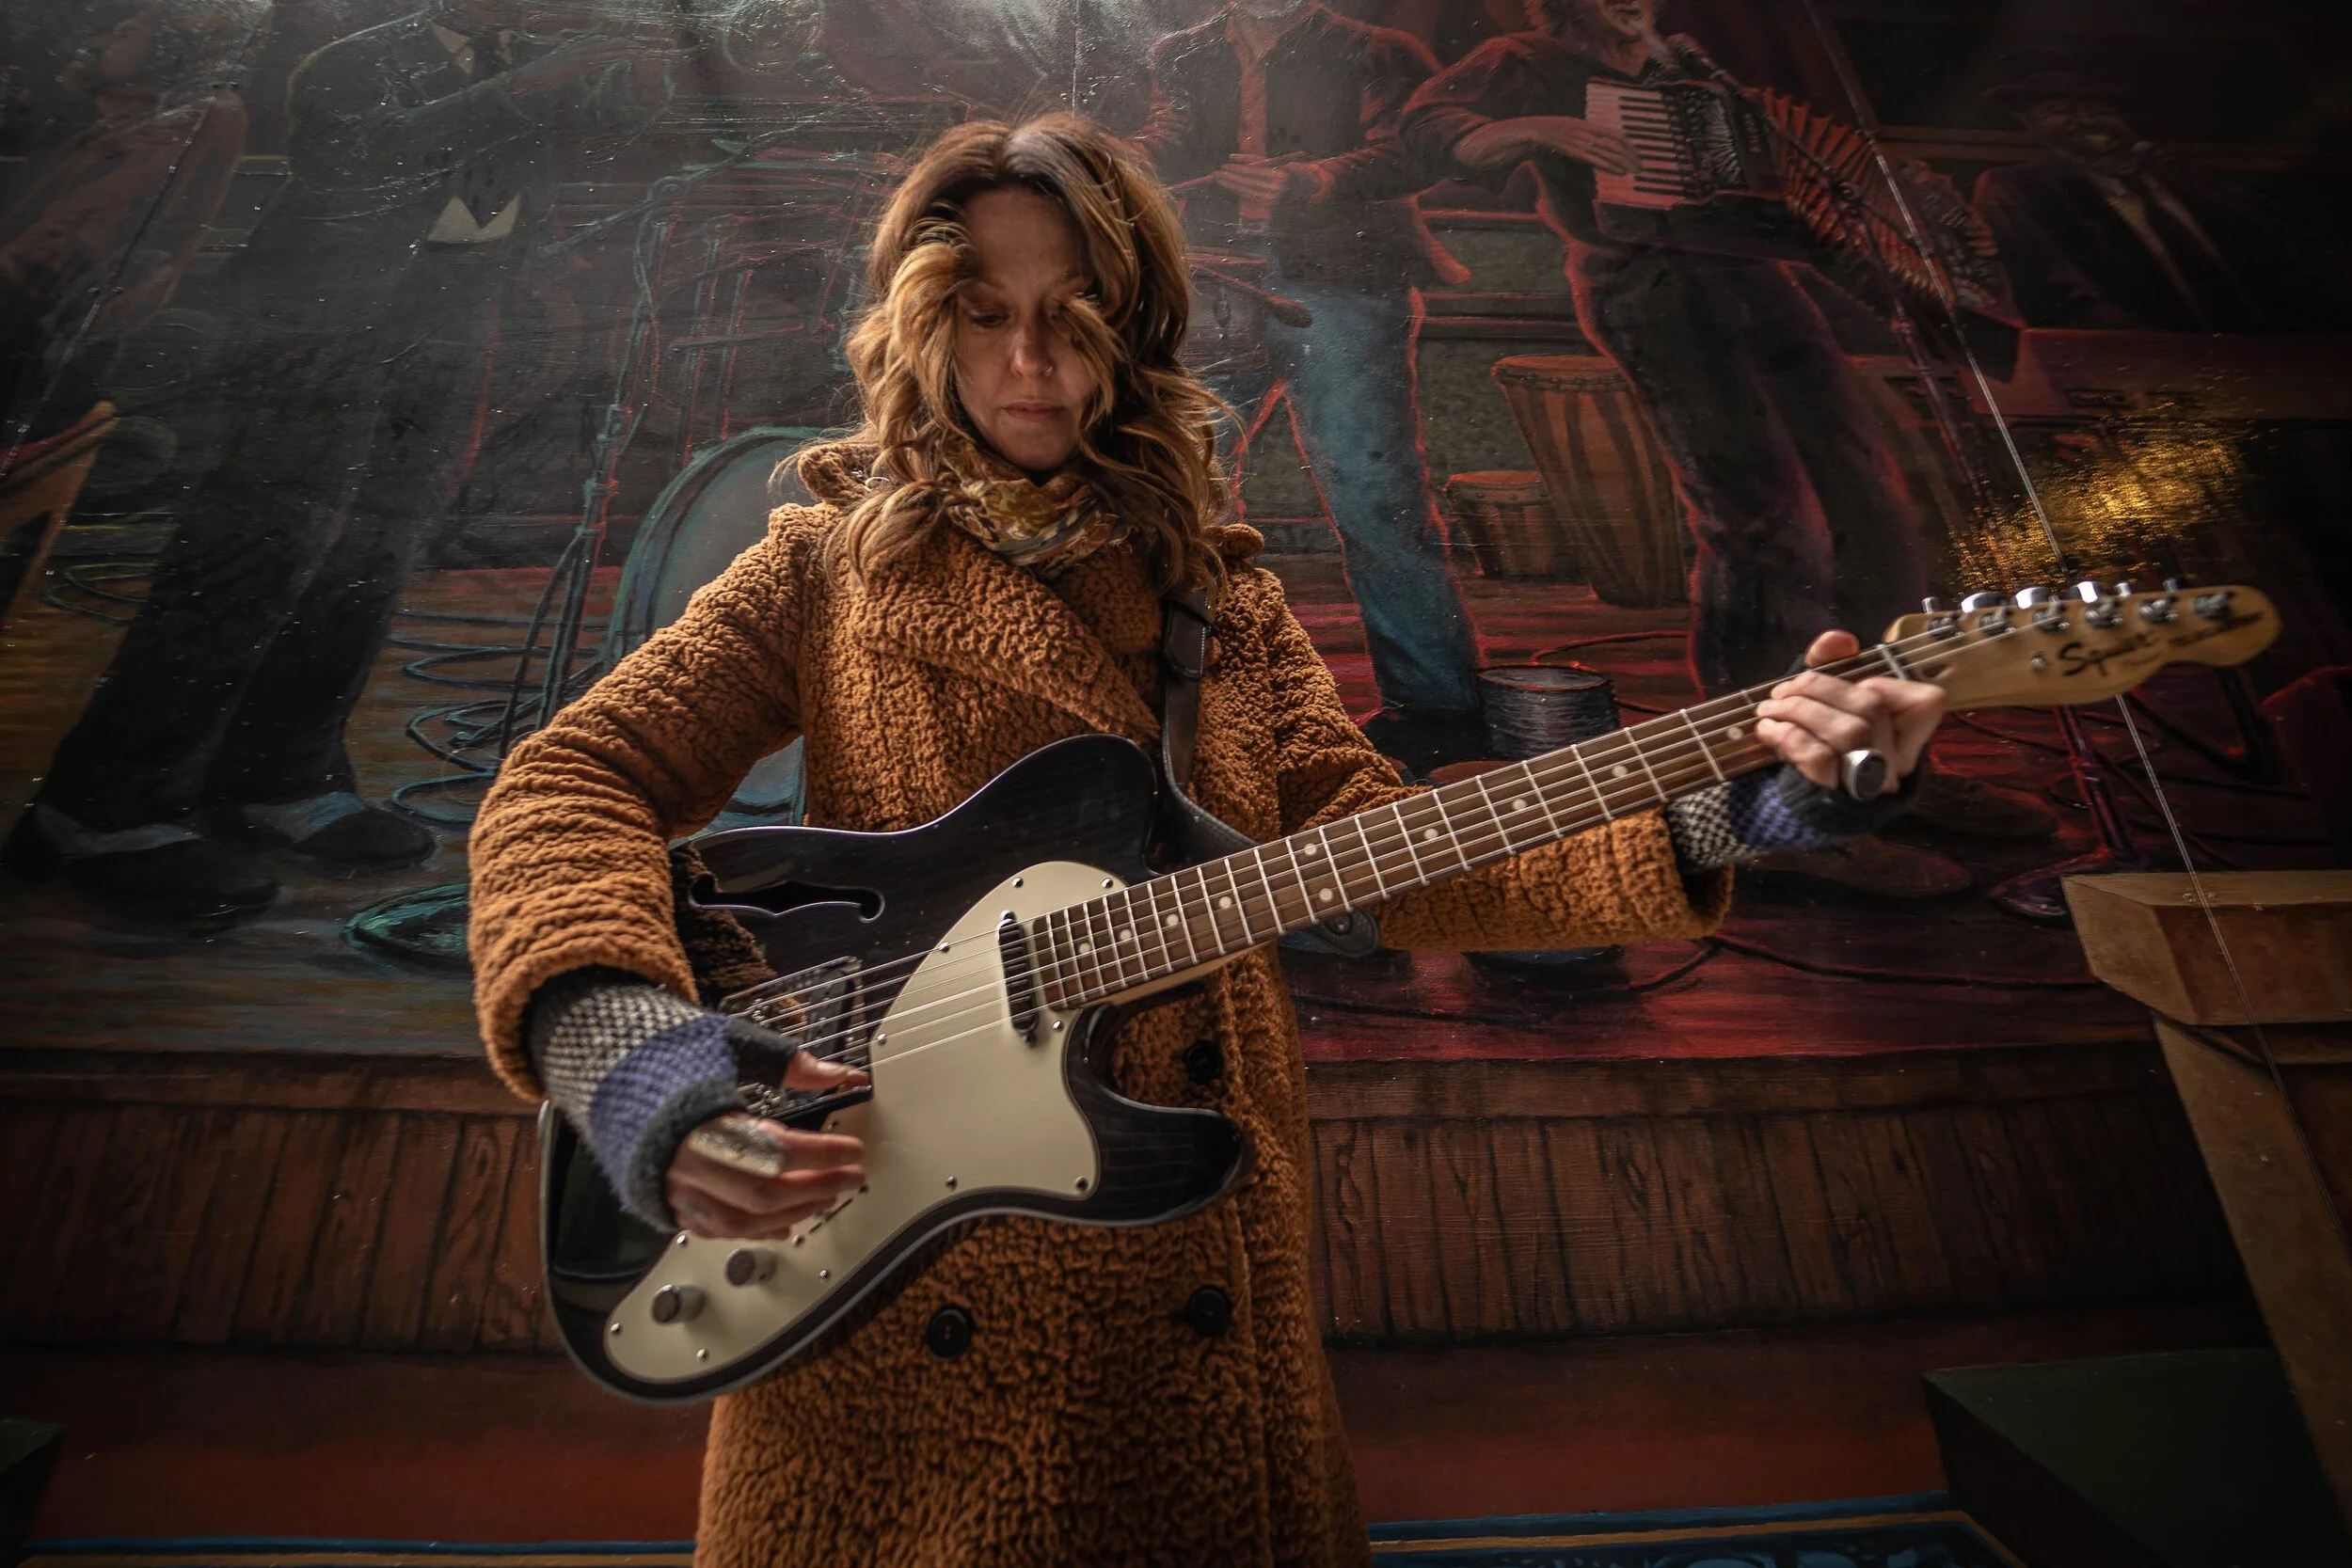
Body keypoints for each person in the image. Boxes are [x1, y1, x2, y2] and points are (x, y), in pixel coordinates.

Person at [466, 114, 1950, 1562]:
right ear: (927, 328)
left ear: (1140, 328)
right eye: (984, 313)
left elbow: (1387, 849)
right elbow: (569, 782)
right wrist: (625, 1047)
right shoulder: (822, 568)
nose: (1032, 360)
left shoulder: (1220, 604)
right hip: (886, 1270)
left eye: (1073, 313)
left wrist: (1733, 801)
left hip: (1189, 1298)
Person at [5, 0, 670, 921]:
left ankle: (281, 775)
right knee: (253, 557)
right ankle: (102, 809)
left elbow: (615, 132)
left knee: (375, 558)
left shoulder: (538, 57)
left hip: (453, 315)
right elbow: (371, 157)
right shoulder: (354, 64)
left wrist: (641, 72)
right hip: (323, 328)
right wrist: (538, 79)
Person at [1401, 0, 2048, 895]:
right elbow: (1430, 130)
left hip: (1762, 282)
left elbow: (1789, 195)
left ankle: (1884, 773)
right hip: (1651, 284)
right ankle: (1766, 804)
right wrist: (1536, 127)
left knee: (1878, 518)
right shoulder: (1526, 57)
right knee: (1769, 528)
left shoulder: (1695, 78)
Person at [1131, 0, 1486, 776]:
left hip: (1345, 288)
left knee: (1374, 495)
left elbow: (1411, 150)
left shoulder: (1375, 50)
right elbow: (1171, 141)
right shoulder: (1182, 55)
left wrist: (1310, 180)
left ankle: (1437, 712)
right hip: (1214, 285)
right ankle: (1201, 710)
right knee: (1184, 499)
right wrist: (1113, 161)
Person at [0, 0, 256, 447]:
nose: (91, 45)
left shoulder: (189, 117)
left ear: (171, 50)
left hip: (32, 354)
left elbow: (66, 246)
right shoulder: (138, 119)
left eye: (121, 33)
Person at [1972, 53, 2344, 333]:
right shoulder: (2021, 189)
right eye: (2059, 110)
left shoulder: (2195, 189)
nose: (2085, 119)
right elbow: (2055, 290)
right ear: (2027, 123)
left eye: (2097, 109)